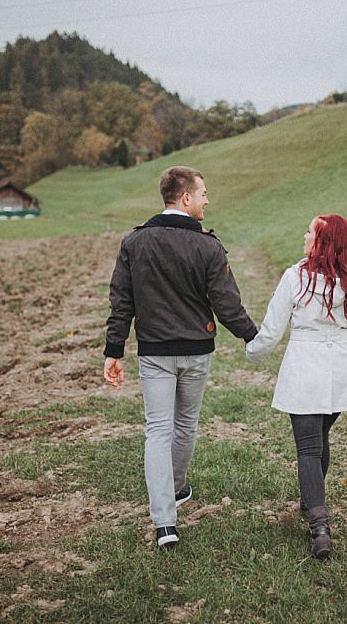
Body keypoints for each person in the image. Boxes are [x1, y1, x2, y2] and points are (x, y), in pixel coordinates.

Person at [103, 166, 257, 548]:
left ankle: (164, 524)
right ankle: (175, 489)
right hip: (195, 351)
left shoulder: (133, 242)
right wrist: (252, 337)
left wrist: (114, 350)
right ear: (185, 197)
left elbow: (122, 302)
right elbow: (227, 304)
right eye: (202, 192)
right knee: (185, 425)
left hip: (154, 351)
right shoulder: (208, 246)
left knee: (158, 430)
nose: (207, 199)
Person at [245, 214, 347, 558]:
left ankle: (319, 527)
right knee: (319, 440)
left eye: (309, 232)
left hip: (306, 369)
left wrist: (253, 352)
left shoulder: (296, 278)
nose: (304, 236)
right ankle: (310, 501)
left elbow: (272, 329)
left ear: (322, 242)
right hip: (341, 372)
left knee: (308, 448)